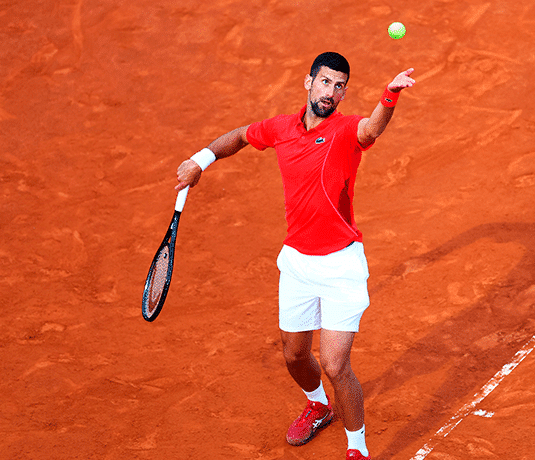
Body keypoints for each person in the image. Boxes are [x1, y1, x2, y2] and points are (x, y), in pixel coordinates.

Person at [174, 52, 415, 460]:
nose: (331, 92)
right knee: (295, 355)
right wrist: (200, 161)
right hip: (299, 264)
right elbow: (238, 137)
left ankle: (357, 449)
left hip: (340, 264)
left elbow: (372, 129)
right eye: (325, 82)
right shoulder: (280, 129)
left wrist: (389, 95)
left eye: (340, 86)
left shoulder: (344, 131)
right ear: (308, 83)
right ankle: (319, 405)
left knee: (337, 366)